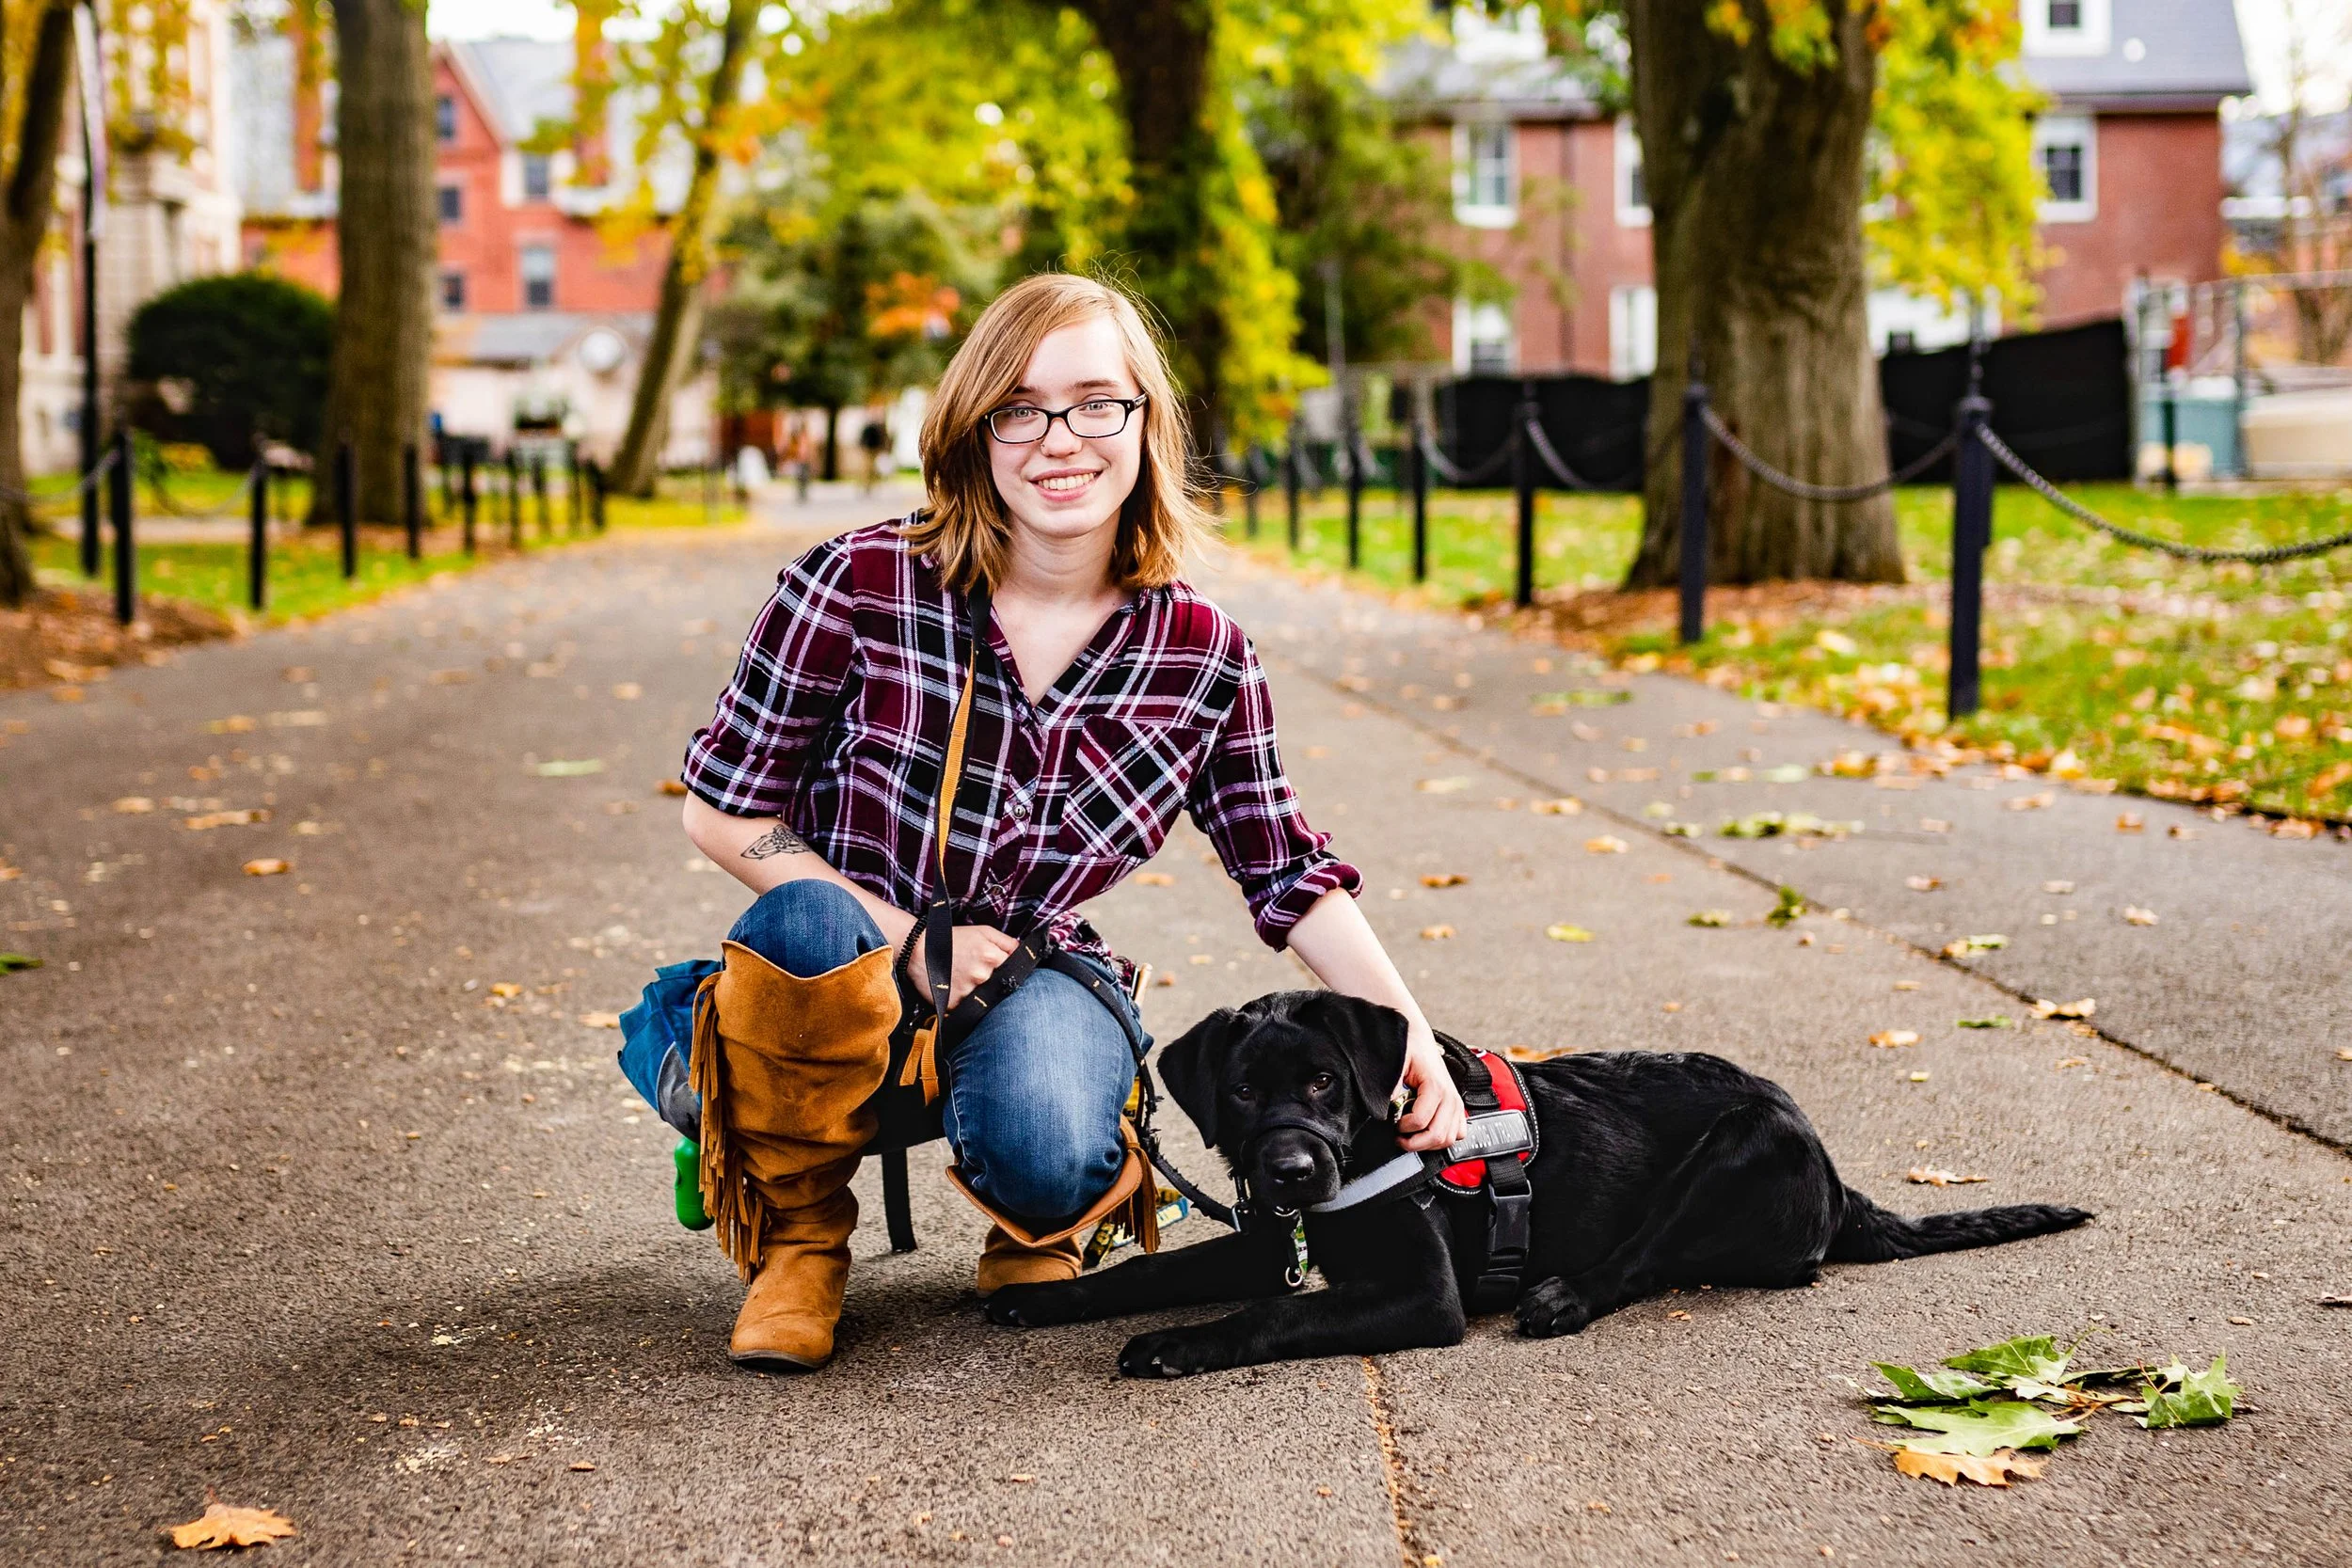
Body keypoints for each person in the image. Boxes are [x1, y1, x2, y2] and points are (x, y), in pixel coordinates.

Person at [645, 272, 1466, 1372]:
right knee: (797, 918)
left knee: (1045, 1133)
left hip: (1033, 973)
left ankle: (1034, 1214)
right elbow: (723, 804)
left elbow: (1290, 871)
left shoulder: (1200, 656)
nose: (1059, 439)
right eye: (1019, 408)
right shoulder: (855, 582)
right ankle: (795, 1231)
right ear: (973, 432)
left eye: (1095, 401)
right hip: (842, 958)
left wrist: (1413, 1041)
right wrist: (901, 934)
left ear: (1144, 420)